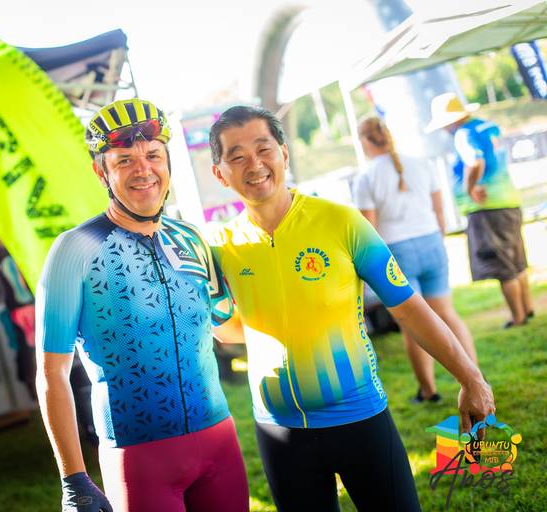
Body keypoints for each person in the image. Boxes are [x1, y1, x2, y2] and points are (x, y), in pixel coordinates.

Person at [208, 105, 495, 512]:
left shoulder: (342, 222)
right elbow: (230, 329)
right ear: (220, 173)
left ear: (284, 153)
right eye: (236, 156)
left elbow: (409, 308)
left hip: (359, 415)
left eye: (263, 149)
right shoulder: (221, 247)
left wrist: (471, 378)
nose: (254, 164)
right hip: (278, 430)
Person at [35, 98, 249, 512]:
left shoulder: (190, 239)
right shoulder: (75, 250)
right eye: (124, 160)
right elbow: (52, 372)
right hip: (138, 460)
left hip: (219, 443)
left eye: (152, 155)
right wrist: (73, 479)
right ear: (101, 171)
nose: (143, 169)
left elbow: (227, 328)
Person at [354, 116, 479, 403]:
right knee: (447, 314)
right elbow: (439, 210)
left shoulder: (366, 177)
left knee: (412, 326)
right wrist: (438, 239)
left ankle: (428, 390)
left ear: (364, 141)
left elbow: (369, 230)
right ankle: (476, 382)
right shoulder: (422, 164)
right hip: (432, 241)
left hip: (396, 253)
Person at [426, 92, 534, 327]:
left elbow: (475, 161)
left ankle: (517, 317)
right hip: (508, 200)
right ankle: (527, 308)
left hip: (488, 208)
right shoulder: (486, 125)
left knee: (502, 265)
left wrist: (470, 188)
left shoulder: (464, 134)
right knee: (516, 261)